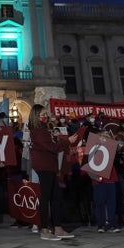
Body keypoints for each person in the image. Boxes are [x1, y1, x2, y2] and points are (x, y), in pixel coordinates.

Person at [28, 103, 78, 240]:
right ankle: (44, 229)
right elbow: (52, 148)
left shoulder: (44, 129)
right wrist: (67, 141)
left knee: (56, 197)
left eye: (46, 114)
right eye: (43, 114)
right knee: (45, 198)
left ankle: (58, 228)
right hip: (44, 166)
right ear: (36, 116)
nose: (46, 117)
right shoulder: (38, 131)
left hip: (50, 166)